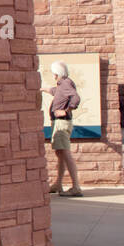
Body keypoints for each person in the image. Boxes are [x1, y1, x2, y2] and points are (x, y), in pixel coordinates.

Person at [42, 61, 83, 197]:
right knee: (60, 153)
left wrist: (66, 110)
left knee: (65, 153)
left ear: (57, 73)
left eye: (54, 73)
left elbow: (75, 98)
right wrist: (43, 89)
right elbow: (56, 92)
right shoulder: (62, 85)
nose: (53, 76)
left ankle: (76, 186)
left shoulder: (65, 83)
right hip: (58, 122)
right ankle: (58, 183)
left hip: (61, 122)